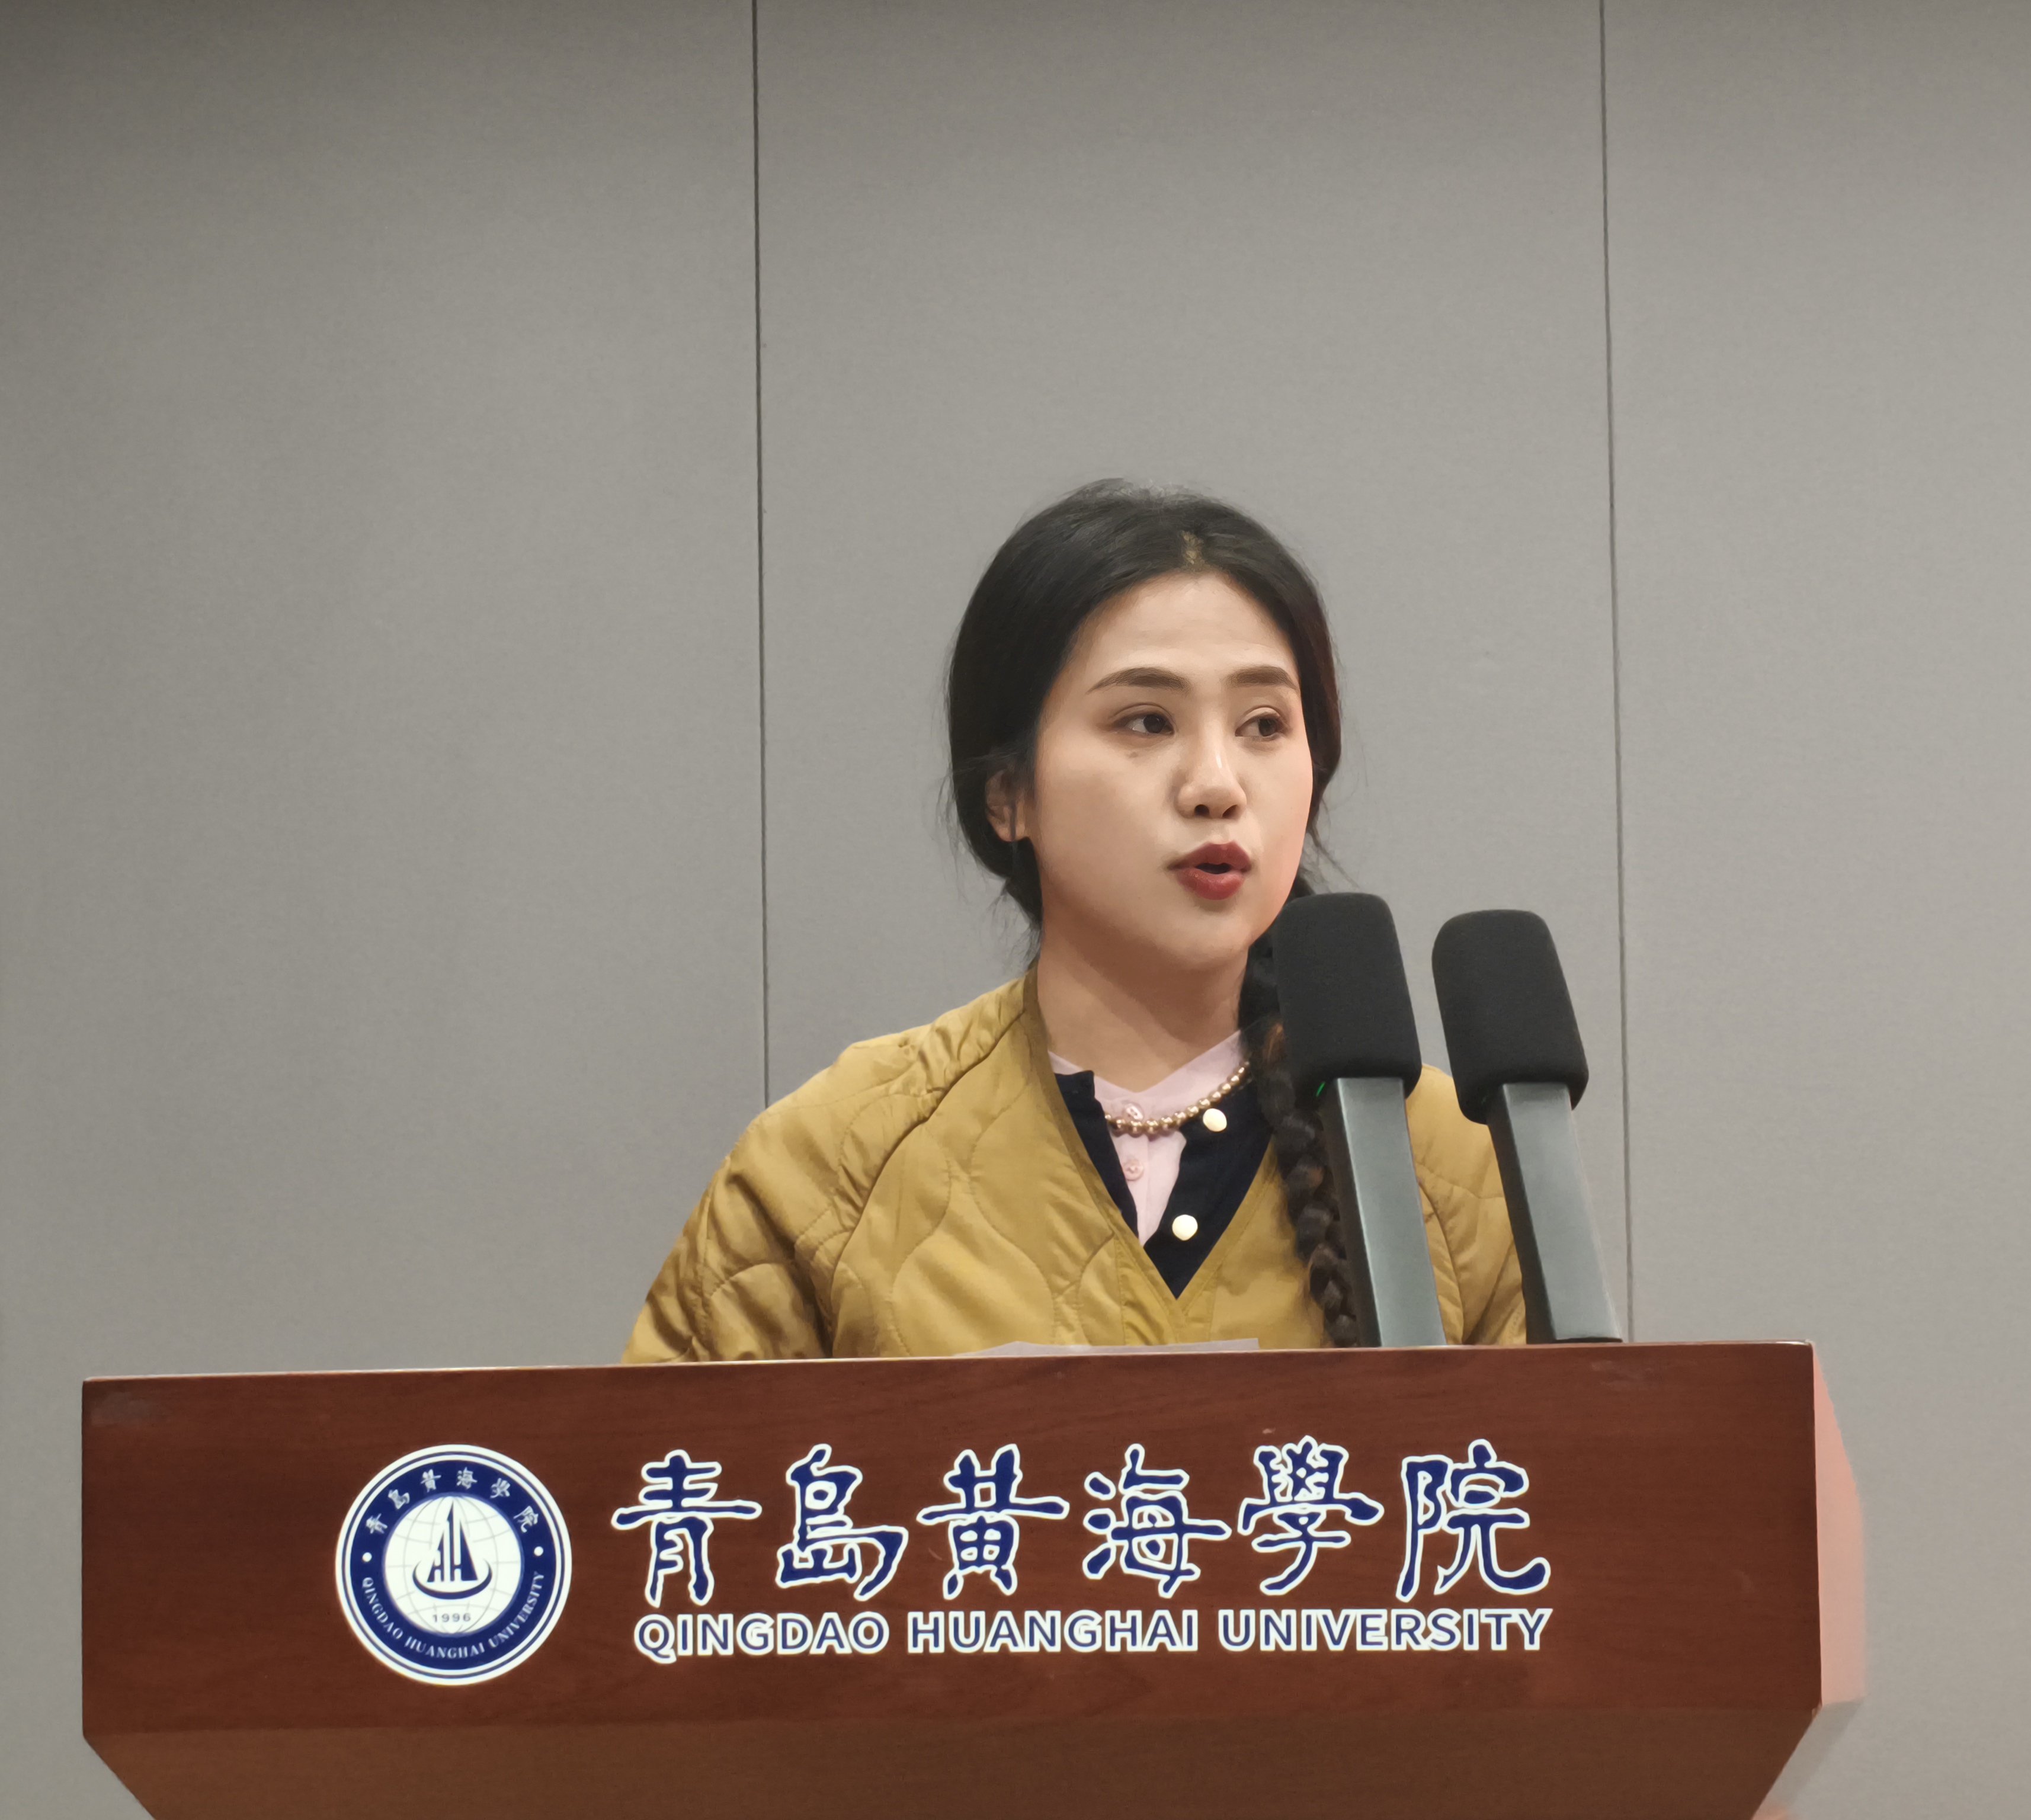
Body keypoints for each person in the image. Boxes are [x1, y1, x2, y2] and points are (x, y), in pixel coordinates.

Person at [624, 481, 1524, 1360]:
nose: (1217, 785)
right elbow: (675, 1461)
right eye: (1147, 721)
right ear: (1008, 794)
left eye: (1263, 725)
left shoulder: (1451, 1162)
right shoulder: (834, 1163)